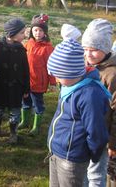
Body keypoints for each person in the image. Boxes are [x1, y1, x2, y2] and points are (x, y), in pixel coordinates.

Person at [47, 34, 110, 187]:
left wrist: (90, 155)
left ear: (72, 72)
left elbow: (96, 131)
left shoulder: (89, 94)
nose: (56, 78)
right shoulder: (70, 86)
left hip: (72, 159)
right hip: (56, 153)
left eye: (58, 74)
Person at [82, 19, 115, 187]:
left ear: (106, 48)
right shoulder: (86, 66)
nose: (88, 54)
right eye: (85, 49)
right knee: (86, 171)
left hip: (103, 135)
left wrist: (113, 143)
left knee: (100, 173)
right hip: (86, 132)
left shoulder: (112, 75)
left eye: (94, 50)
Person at [0, 18, 30, 144]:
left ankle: (13, 133)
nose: (24, 35)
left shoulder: (21, 50)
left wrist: (26, 88)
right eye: (22, 33)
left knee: (15, 111)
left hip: (16, 87)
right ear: (12, 33)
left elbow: (25, 70)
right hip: (0, 86)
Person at [19, 14, 56, 135]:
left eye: (41, 30)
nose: (38, 33)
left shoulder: (48, 48)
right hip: (26, 81)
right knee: (25, 101)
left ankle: (36, 126)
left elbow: (51, 66)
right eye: (35, 30)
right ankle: (25, 121)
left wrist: (52, 82)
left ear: (45, 32)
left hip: (39, 83)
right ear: (31, 31)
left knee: (37, 104)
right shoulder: (28, 44)